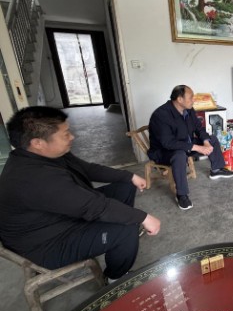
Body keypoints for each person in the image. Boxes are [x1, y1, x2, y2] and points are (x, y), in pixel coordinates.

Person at [0, 106, 161, 283]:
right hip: (46, 243)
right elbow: (93, 206)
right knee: (126, 229)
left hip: (61, 215)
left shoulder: (48, 154)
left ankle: (116, 237)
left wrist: (129, 176)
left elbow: (87, 169)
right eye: (65, 134)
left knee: (125, 186)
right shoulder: (32, 178)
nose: (72, 137)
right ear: (38, 143)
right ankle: (115, 278)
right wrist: (142, 217)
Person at [148, 85, 233, 211]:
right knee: (179, 155)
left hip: (186, 145)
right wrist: (196, 147)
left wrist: (205, 142)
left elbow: (199, 128)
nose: (193, 100)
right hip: (164, 152)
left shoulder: (188, 110)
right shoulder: (161, 115)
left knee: (212, 139)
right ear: (180, 99)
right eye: (191, 97)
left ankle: (216, 169)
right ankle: (182, 195)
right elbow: (168, 143)